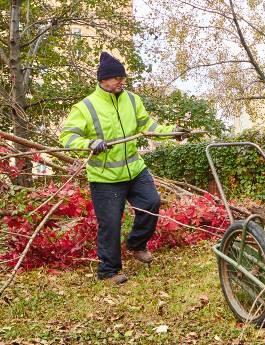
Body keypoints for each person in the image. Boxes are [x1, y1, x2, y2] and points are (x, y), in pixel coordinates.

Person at [60, 52, 187, 284]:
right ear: (103, 80)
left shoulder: (132, 99)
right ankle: (108, 271)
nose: (121, 81)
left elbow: (148, 125)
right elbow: (67, 138)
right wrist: (89, 144)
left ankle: (136, 243)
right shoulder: (85, 107)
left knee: (152, 203)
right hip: (105, 177)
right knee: (110, 224)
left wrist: (172, 131)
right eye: (116, 77)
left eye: (122, 77)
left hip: (135, 169)